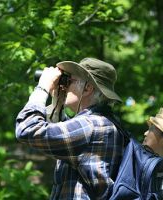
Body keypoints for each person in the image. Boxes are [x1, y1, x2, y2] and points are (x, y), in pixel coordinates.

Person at [15, 57, 127, 199]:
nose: (65, 86)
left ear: (87, 88)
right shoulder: (103, 122)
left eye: (70, 81)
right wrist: (58, 103)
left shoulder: (91, 125)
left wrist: (42, 88)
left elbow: (26, 129)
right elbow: (64, 137)